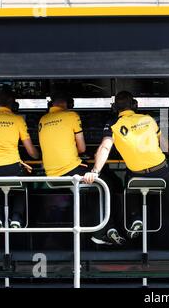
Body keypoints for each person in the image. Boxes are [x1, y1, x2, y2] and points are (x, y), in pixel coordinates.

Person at [83, 91, 169, 249]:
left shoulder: (113, 125)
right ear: (135, 105)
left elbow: (104, 148)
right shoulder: (148, 119)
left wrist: (95, 171)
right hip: (161, 172)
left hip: (137, 176)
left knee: (128, 181)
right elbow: (166, 147)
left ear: (115, 108)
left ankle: (136, 217)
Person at [38, 92, 124, 246]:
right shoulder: (71, 116)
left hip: (51, 175)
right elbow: (82, 148)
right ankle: (101, 232)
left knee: (94, 186)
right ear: (69, 105)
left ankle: (103, 227)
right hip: (70, 171)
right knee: (108, 183)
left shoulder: (42, 119)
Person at [0, 84, 39, 228]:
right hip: (12, 169)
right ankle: (16, 218)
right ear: (13, 103)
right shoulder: (18, 120)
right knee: (24, 180)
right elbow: (31, 151)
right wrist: (38, 155)